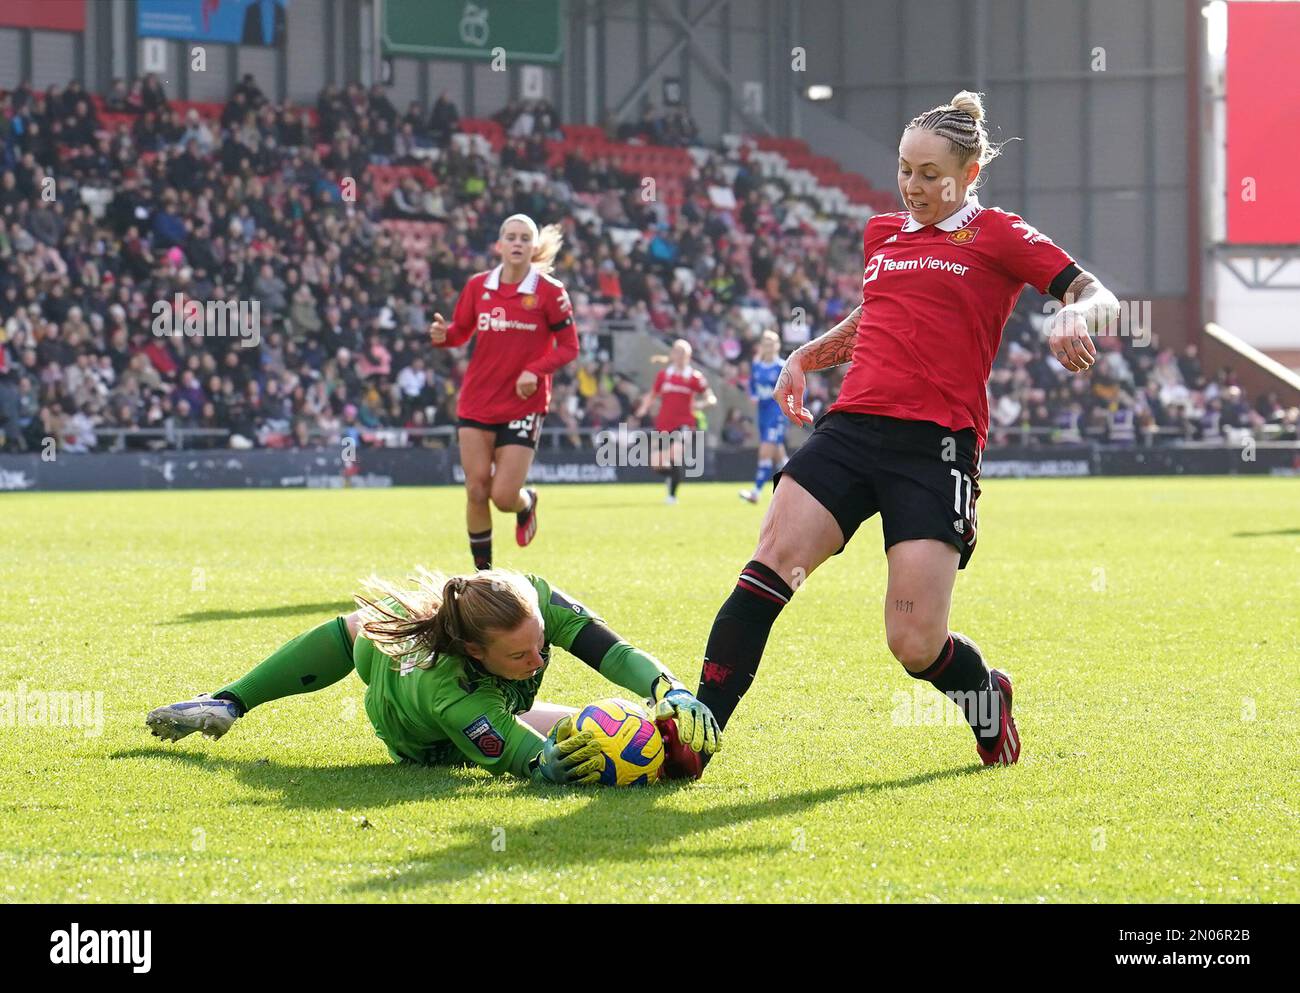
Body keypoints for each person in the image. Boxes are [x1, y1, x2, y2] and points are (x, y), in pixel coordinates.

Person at [691, 91, 1120, 769]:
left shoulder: (999, 235)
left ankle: (985, 696)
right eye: (904, 170)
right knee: (772, 560)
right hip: (852, 427)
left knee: (914, 642)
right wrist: (806, 354)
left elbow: (1099, 293)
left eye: (929, 174)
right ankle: (696, 738)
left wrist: (1074, 315)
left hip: (937, 445)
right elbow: (876, 316)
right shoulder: (882, 235)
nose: (912, 186)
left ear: (969, 174)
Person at [146, 569, 720, 783]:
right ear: (473, 648)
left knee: (597, 729)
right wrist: (545, 765)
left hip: (481, 696)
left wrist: (666, 688)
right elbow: (524, 755)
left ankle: (226, 702)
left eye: (540, 644)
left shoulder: (531, 599)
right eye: (521, 657)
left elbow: (614, 652)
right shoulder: (453, 696)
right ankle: (232, 699)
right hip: (422, 736)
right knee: (364, 628)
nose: (539, 661)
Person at [429, 215, 579, 569]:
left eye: (524, 238)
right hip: (477, 400)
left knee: (503, 495)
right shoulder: (478, 286)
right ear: (498, 245)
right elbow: (461, 331)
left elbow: (569, 347)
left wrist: (535, 370)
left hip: (523, 405)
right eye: (510, 236)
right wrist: (443, 335)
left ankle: (526, 503)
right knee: (476, 489)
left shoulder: (550, 292)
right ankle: (483, 577)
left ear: (532, 247)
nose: (516, 243)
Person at [634, 339, 716, 504]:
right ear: (672, 354)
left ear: (688, 356)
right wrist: (643, 408)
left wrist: (702, 403)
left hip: (684, 424)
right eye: (677, 352)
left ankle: (672, 496)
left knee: (674, 454)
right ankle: (672, 478)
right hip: (664, 424)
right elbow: (652, 395)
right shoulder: (664, 376)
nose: (679, 356)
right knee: (656, 464)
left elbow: (711, 397)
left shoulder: (694, 377)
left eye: (683, 353)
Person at [739, 329, 788, 504]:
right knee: (778, 454)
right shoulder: (757, 367)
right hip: (762, 413)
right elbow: (752, 385)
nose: (768, 347)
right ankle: (797, 488)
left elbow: (792, 388)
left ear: (777, 346)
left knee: (766, 450)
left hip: (776, 414)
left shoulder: (782, 367)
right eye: (765, 344)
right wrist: (752, 395)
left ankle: (756, 492)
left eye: (772, 343)